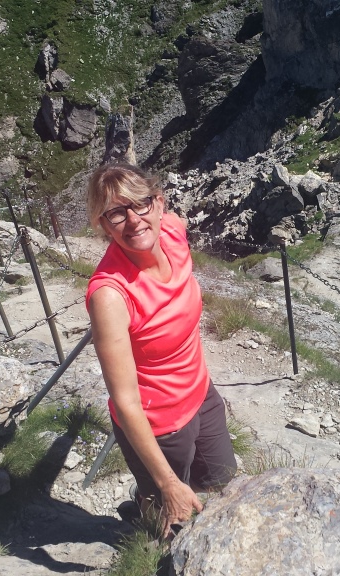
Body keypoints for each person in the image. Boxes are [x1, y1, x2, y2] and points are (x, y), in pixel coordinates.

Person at [84, 162, 236, 537]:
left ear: (159, 202)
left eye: (141, 203)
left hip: (201, 395)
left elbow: (174, 224)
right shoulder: (110, 295)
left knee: (221, 480)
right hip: (159, 426)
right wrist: (167, 483)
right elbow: (125, 401)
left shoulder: (170, 230)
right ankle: (147, 517)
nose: (134, 220)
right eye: (116, 213)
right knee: (166, 522)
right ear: (104, 225)